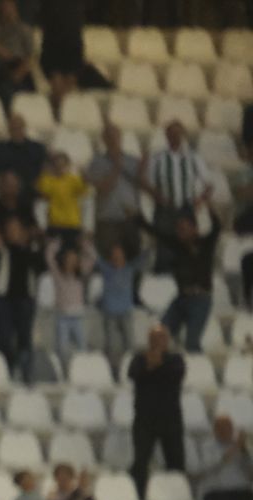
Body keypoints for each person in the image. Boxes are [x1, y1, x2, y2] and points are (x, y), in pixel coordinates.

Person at [141, 121, 210, 274]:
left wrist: (200, 200)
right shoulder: (158, 158)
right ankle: (162, 283)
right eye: (171, 134)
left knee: (187, 247)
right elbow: (147, 183)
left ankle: (188, 279)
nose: (175, 137)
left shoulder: (193, 157)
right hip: (165, 209)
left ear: (183, 135)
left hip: (186, 208)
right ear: (166, 136)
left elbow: (209, 185)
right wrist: (156, 196)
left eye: (178, 133)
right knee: (164, 246)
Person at [149, 209, 220, 354]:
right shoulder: (177, 247)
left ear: (194, 229)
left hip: (201, 298)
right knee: (161, 331)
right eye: (179, 229)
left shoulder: (206, 244)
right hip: (182, 298)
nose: (181, 232)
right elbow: (157, 233)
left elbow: (217, 227)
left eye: (184, 228)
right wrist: (138, 218)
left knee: (191, 343)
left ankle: (197, 370)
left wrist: (207, 205)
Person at [127, 324, 185, 500]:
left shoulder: (176, 359)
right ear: (149, 341)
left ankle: (178, 497)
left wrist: (153, 366)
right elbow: (133, 374)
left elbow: (174, 375)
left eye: (162, 338)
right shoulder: (139, 358)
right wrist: (151, 367)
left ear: (167, 341)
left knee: (176, 462)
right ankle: (139, 497)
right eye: (155, 339)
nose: (158, 342)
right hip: (145, 420)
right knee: (141, 462)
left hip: (171, 420)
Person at [0, 216, 43, 381]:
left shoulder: (31, 251)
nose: (13, 233)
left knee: (25, 339)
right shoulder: (0, 250)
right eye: (10, 230)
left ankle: (26, 375)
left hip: (25, 300)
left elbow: (41, 267)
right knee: (4, 338)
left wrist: (33, 244)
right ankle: (7, 370)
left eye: (16, 229)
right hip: (3, 300)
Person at [86, 124, 142, 258]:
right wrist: (116, 168)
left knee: (132, 256)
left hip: (130, 217)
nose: (112, 139)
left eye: (115, 136)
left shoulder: (133, 160)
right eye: (109, 136)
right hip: (107, 218)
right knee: (107, 258)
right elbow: (103, 188)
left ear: (120, 137)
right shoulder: (97, 162)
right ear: (104, 139)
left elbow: (139, 187)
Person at [45, 236, 97, 370]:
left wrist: (84, 244)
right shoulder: (58, 276)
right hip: (62, 317)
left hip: (78, 317)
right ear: (64, 260)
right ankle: (64, 371)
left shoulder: (81, 276)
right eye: (69, 259)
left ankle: (83, 370)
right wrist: (56, 243)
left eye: (74, 259)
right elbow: (49, 258)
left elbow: (92, 257)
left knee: (82, 347)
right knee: (62, 349)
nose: (71, 262)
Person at [0, 113, 46, 209]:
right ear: (9, 130)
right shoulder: (0, 149)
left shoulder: (37, 148)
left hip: (31, 194)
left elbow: (47, 167)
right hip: (6, 196)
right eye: (13, 128)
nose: (16, 131)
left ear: (24, 128)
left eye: (19, 128)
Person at [0, 0, 36, 115]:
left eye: (10, 7)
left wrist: (20, 71)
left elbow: (30, 56)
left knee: (28, 92)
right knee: (5, 90)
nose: (7, 10)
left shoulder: (24, 29)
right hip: (0, 68)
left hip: (19, 67)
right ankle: (10, 118)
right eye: (5, 7)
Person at [95, 242, 142, 369]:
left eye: (119, 254)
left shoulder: (130, 269)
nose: (116, 256)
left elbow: (145, 258)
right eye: (114, 254)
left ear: (124, 256)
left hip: (126, 311)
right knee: (110, 344)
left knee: (130, 343)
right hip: (109, 312)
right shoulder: (106, 269)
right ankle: (112, 370)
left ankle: (132, 368)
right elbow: (95, 256)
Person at [195, 416, 253, 500]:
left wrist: (244, 452)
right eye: (223, 428)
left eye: (230, 428)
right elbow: (206, 468)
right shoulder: (207, 446)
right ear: (216, 430)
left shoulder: (242, 448)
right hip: (217, 492)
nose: (227, 431)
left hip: (241, 491)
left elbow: (250, 474)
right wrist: (234, 448)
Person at [36, 151, 88, 250]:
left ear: (67, 165)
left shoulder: (73, 179)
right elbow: (42, 191)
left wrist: (84, 176)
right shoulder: (48, 180)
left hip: (73, 224)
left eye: (62, 165)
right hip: (55, 224)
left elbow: (83, 190)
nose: (59, 168)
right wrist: (45, 171)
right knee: (53, 254)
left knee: (72, 254)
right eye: (56, 165)